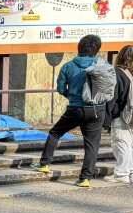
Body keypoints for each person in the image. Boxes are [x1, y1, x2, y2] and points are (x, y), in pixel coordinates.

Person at [37, 34, 107, 188]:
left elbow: (61, 88)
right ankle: (85, 179)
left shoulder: (68, 66)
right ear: (97, 50)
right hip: (97, 109)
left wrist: (72, 96)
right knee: (92, 144)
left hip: (75, 108)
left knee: (55, 133)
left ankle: (45, 164)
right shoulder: (103, 65)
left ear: (79, 48)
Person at [112, 45, 133, 183]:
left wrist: (112, 114)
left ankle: (121, 175)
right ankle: (130, 172)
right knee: (129, 145)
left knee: (121, 143)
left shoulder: (118, 73)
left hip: (123, 116)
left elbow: (114, 97)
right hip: (130, 116)